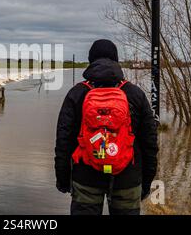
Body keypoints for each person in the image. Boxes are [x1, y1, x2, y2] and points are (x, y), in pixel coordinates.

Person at [55, 39, 158, 215]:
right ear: (116, 61)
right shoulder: (134, 94)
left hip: (85, 176)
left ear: (90, 61)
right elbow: (150, 142)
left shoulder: (77, 93)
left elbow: (63, 140)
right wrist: (146, 181)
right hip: (127, 176)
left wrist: (63, 179)